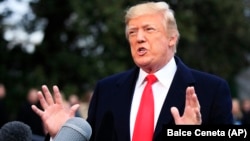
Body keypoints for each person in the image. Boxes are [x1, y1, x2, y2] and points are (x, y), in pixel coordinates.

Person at [31, 1, 233, 141]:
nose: (139, 38)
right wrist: (63, 135)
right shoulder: (106, 90)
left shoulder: (211, 90)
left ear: (172, 38)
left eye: (149, 29)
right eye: (132, 32)